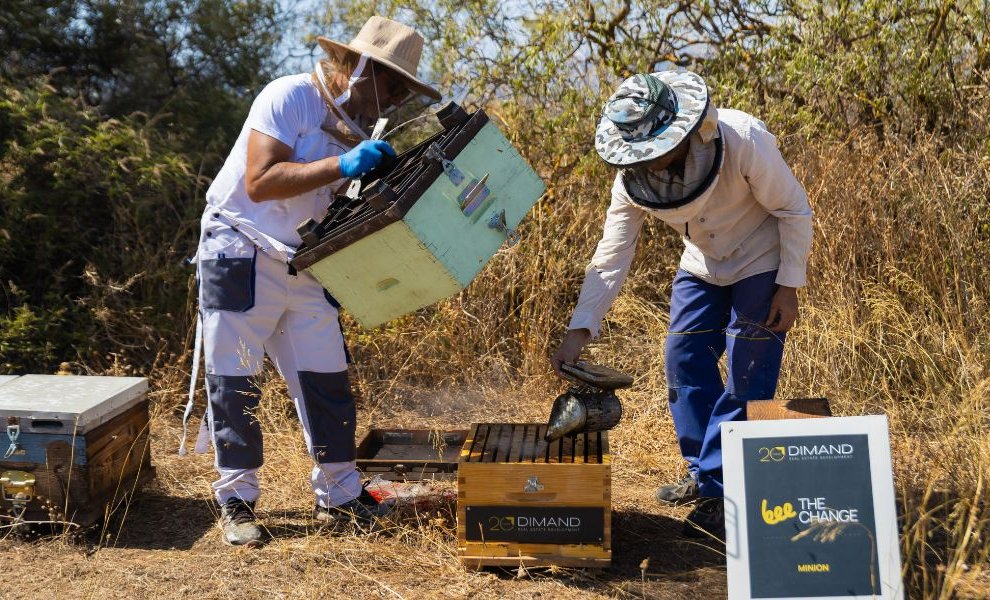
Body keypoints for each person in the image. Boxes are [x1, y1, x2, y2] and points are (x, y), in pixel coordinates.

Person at [186, 16, 441, 547]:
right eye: (392, 84)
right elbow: (259, 182)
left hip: (302, 260)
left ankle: (341, 495)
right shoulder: (288, 97)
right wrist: (341, 163)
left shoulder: (361, 126)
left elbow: (330, 208)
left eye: (404, 90)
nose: (394, 99)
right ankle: (236, 498)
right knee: (234, 379)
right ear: (363, 67)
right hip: (238, 246)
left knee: (327, 378)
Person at [551, 70, 812, 538]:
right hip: (702, 261)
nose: (649, 161)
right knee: (682, 357)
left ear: (683, 130)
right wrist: (580, 329)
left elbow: (793, 209)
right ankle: (701, 470)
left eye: (657, 148)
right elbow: (613, 253)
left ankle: (718, 487)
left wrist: (789, 285)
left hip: (761, 253)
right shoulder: (631, 180)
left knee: (747, 364)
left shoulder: (742, 139)